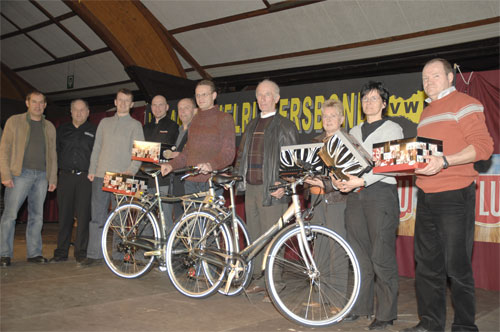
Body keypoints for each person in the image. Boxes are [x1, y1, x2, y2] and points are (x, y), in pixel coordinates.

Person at [402, 59, 493, 332]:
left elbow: (483, 147)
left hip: (455, 195)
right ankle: (430, 323)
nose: (428, 82)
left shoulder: (466, 103)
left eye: (435, 76)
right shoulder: (426, 112)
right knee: (427, 266)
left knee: (457, 266)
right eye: (424, 78)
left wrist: (445, 161)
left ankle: (465, 326)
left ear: (451, 77)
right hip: (426, 196)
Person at [332, 81, 403, 330]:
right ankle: (360, 306)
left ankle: (386, 313)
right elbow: (346, 163)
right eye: (365, 99)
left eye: (374, 99)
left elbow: (389, 165)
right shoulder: (354, 130)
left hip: (380, 194)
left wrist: (361, 180)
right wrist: (341, 181)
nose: (368, 103)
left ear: (384, 103)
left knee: (380, 255)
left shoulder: (393, 128)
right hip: (355, 196)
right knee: (359, 255)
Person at [234, 79, 299, 296]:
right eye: (260, 95)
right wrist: (237, 178)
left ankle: (275, 283)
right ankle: (258, 279)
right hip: (251, 188)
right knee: (255, 236)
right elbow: (242, 156)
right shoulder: (251, 125)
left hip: (272, 189)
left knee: (273, 238)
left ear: (277, 98)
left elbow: (292, 161)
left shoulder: (285, 125)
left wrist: (284, 184)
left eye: (267, 95)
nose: (263, 99)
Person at [80, 88, 144, 267]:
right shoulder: (104, 122)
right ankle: (94, 254)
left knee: (120, 218)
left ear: (132, 105)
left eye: (127, 101)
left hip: (122, 176)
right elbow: (97, 147)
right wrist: (92, 169)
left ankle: (117, 253)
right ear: (115, 102)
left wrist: (131, 170)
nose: (123, 103)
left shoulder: (135, 125)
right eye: (120, 100)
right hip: (100, 175)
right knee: (97, 217)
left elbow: (139, 152)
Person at [0, 91, 57, 267]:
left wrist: (52, 177)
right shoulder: (14, 121)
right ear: (27, 103)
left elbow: (53, 154)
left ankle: (34, 253)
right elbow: (4, 149)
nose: (38, 105)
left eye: (41, 103)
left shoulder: (49, 127)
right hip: (19, 174)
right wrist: (5, 175)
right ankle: (4, 254)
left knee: (37, 217)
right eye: (34, 102)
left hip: (41, 176)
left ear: (45, 105)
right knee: (10, 215)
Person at [160, 80, 235, 196]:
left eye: (204, 94)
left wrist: (211, 165)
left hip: (211, 182)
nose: (200, 98)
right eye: (198, 95)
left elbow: (228, 153)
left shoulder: (225, 119)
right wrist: (171, 165)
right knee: (191, 215)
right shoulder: (194, 121)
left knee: (208, 215)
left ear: (214, 96)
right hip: (190, 182)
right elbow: (187, 152)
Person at [51, 99, 96, 263]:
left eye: (82, 110)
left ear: (88, 112)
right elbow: (54, 154)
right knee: (64, 216)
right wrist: (53, 177)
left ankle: (81, 252)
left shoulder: (94, 130)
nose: (79, 113)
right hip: (65, 177)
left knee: (84, 217)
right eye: (75, 110)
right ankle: (61, 252)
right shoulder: (62, 130)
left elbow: (98, 155)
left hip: (86, 178)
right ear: (70, 112)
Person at [143, 95, 178, 233]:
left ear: (167, 107)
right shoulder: (145, 127)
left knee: (165, 217)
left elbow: (170, 152)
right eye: (154, 105)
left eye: (161, 105)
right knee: (145, 217)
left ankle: (165, 251)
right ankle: (144, 252)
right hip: (145, 177)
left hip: (163, 178)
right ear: (151, 108)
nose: (157, 108)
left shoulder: (173, 126)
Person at [169, 98, 197, 220]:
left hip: (189, 179)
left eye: (186, 108)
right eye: (180, 108)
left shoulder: (197, 130)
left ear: (195, 111)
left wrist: (178, 155)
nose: (182, 111)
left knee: (192, 218)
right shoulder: (178, 130)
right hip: (176, 180)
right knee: (179, 219)